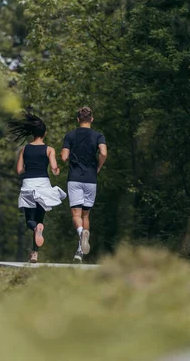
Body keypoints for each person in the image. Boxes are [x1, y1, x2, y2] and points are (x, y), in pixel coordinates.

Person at [8, 113, 67, 263]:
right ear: (44, 133)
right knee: (40, 220)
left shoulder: (24, 149)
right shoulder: (49, 150)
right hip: (43, 186)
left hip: (29, 184)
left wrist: (26, 166)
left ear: (32, 133)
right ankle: (35, 253)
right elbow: (54, 168)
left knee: (30, 220)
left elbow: (19, 170)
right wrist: (57, 170)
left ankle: (35, 232)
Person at [61, 106, 107, 263]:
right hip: (91, 179)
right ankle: (80, 251)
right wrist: (98, 167)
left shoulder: (70, 135)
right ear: (91, 119)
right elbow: (103, 153)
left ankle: (81, 233)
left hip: (74, 178)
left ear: (78, 120)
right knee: (86, 215)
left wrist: (68, 155)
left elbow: (64, 157)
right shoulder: (98, 135)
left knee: (76, 215)